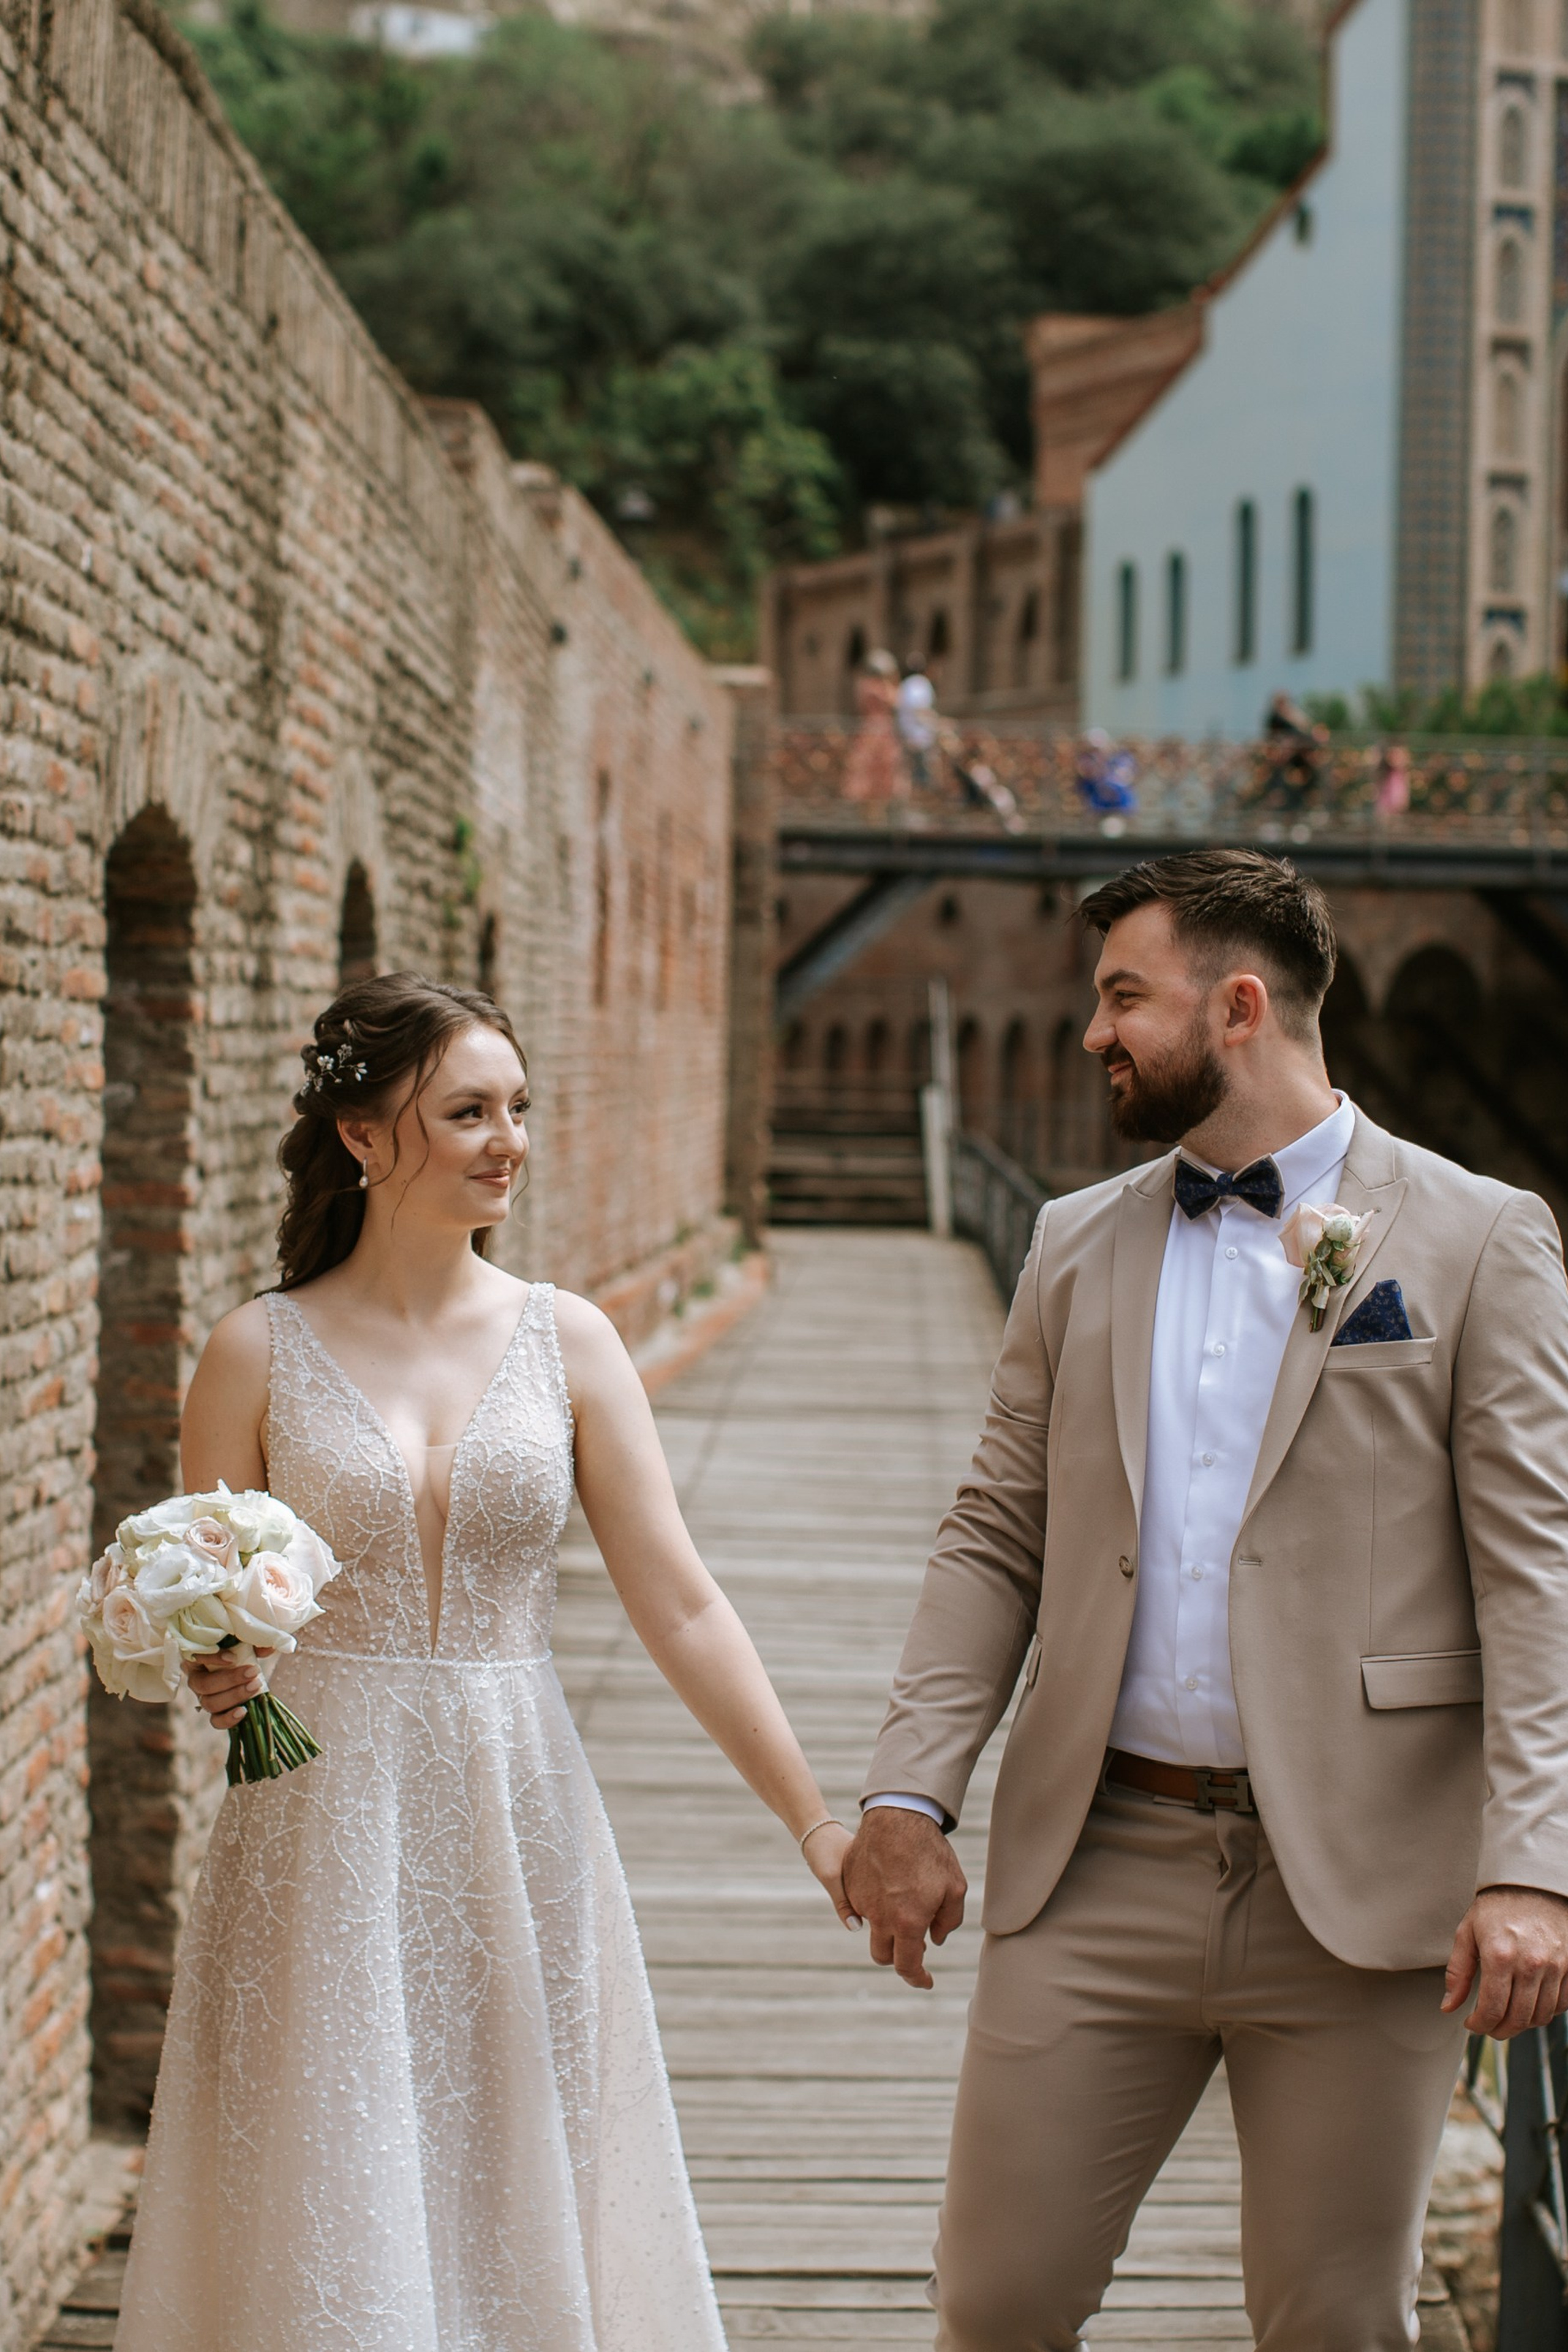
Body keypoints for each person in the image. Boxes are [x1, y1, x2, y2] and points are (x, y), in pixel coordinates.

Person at [842, 848, 1568, 2352]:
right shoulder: (1069, 1240)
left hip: (1359, 1892)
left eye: (1122, 996)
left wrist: (1529, 1861)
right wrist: (910, 1793)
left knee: (1331, 2321)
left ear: (1236, 1006)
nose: (1093, 1032)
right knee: (992, 2302)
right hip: (1094, 1857)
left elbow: (1532, 1572)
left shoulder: (1476, 1236)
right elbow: (994, 1531)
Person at [115, 973, 854, 2352]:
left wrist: (810, 1820)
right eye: (467, 1112)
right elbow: (212, 1614)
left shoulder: (567, 1341)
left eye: (517, 1109)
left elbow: (680, 1602)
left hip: (520, 1808)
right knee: (332, 2169)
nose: (506, 1138)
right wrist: (221, 1675)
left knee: (515, 2155)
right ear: (363, 1135)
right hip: (320, 1821)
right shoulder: (250, 1353)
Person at [843, 648, 904, 805]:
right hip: (880, 730)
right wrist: (894, 682)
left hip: (869, 729)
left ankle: (874, 813)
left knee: (875, 771)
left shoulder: (862, 685)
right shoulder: (876, 687)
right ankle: (874, 816)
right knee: (876, 772)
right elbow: (896, 700)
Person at [895, 655, 939, 791]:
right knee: (920, 779)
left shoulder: (905, 684)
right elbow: (920, 711)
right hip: (919, 737)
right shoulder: (920, 684)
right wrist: (938, 724)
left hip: (906, 734)